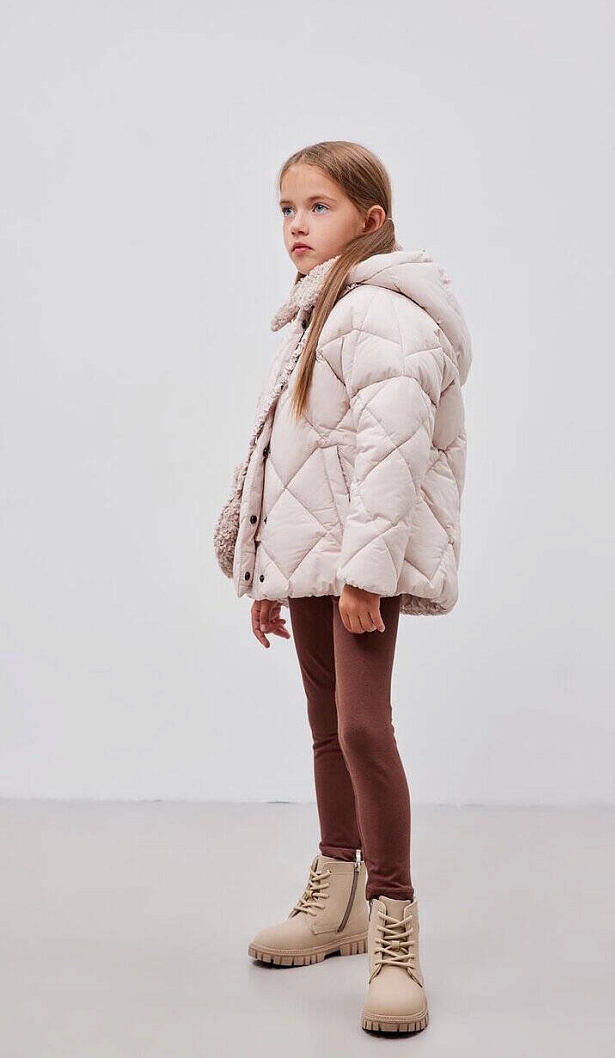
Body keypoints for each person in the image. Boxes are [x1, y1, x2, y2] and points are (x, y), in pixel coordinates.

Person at [214, 140, 472, 1035]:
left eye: (317, 207)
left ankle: (395, 927)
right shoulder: (316, 311)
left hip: (361, 564)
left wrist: (366, 574)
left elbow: (390, 453)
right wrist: (269, 573)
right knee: (327, 729)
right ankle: (339, 901)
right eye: (286, 209)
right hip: (315, 562)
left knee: (363, 727)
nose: (296, 224)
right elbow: (290, 455)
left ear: (372, 219)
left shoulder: (383, 314)